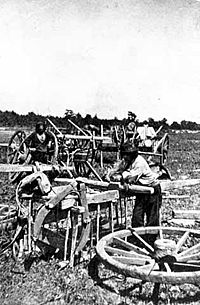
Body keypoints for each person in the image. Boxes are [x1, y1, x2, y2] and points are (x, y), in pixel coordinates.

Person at [105, 141, 162, 246]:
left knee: (152, 218)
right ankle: (138, 239)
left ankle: (150, 242)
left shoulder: (139, 162)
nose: (125, 157)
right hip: (141, 190)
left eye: (127, 155)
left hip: (152, 190)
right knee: (137, 216)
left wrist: (122, 177)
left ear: (132, 154)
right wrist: (113, 174)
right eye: (124, 155)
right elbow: (120, 170)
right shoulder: (128, 161)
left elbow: (130, 178)